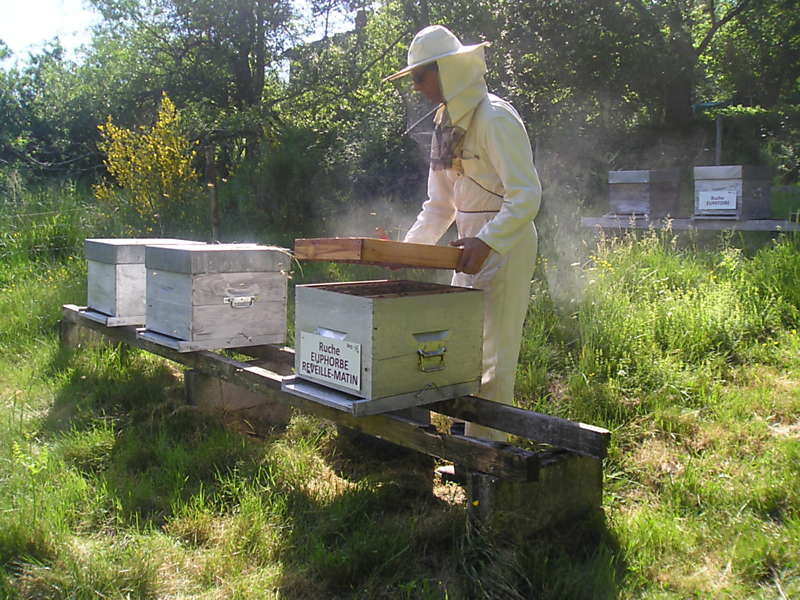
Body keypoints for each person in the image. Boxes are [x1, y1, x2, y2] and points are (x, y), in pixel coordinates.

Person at [385, 25, 541, 442]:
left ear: (447, 69)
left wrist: (488, 241)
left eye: (420, 76)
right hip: (466, 246)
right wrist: (409, 250)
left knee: (494, 353)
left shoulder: (496, 118)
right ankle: (465, 434)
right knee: (462, 344)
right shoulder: (445, 124)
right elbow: (439, 205)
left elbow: (527, 197)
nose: (416, 87)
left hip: (504, 245)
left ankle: (488, 451)